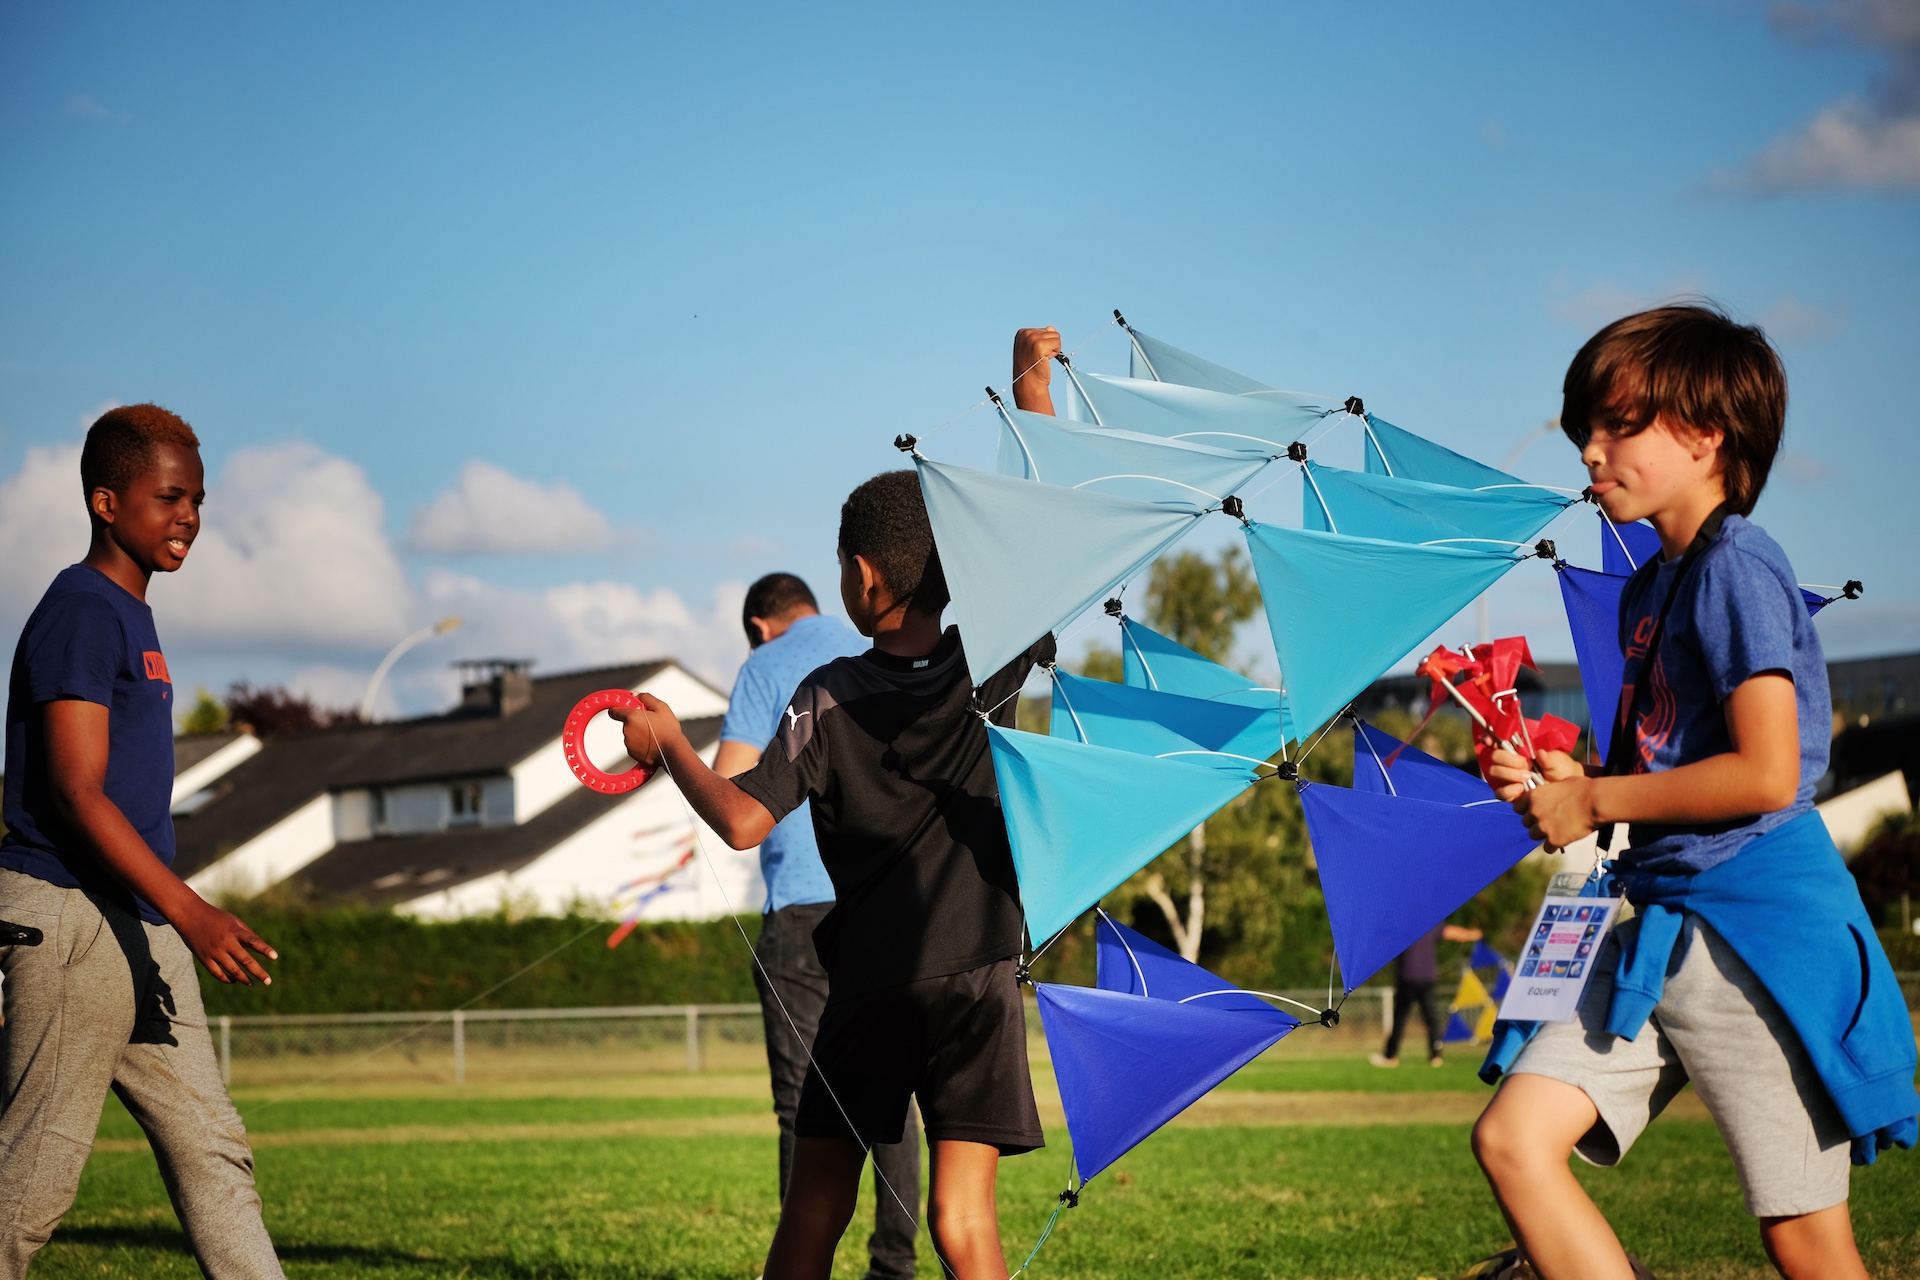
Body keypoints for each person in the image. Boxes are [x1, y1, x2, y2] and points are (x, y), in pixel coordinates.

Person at [1469, 306, 1917, 1280]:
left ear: (1706, 435)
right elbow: (1664, 770)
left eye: (1616, 424)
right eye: (1584, 428)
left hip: (1760, 934)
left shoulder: (1737, 566)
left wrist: (1595, 802)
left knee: (1804, 1239)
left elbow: (1768, 772)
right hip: (1655, 927)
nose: (1590, 449)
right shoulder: (1649, 590)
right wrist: (1570, 783)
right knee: (1513, 1140)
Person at [613, 471, 1050, 1280]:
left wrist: (668, 743)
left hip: (873, 984)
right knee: (964, 1219)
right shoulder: (993, 661)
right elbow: (1046, 530)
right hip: (984, 977)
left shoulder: (828, 695)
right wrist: (1034, 408)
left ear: (862, 576)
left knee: (816, 1207)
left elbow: (742, 821)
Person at [0, 405, 285, 1278]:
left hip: (140, 922)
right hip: (69, 914)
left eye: (198, 500)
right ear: (106, 502)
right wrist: (192, 912)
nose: (188, 517)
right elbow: (75, 792)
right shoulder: (81, 610)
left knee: (213, 1151)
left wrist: (169, 919)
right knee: (33, 1184)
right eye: (168, 498)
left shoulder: (130, 614)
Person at [714, 571, 920, 1280]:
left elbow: (733, 787)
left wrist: (671, 759)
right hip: (885, 902)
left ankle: (802, 1269)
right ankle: (893, 1266)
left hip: (802, 908)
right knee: (893, 1096)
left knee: (802, 1103)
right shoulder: (872, 650)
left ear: (760, 625)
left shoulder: (765, 665)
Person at [1370, 921, 1483, 1068]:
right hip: (1426, 978)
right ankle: (1435, 1057)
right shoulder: (1429, 923)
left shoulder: (1402, 925)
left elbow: (1381, 938)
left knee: (1401, 1019)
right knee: (1431, 1019)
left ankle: (1391, 1056)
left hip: (1408, 978)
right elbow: (1451, 932)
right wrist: (1472, 935)